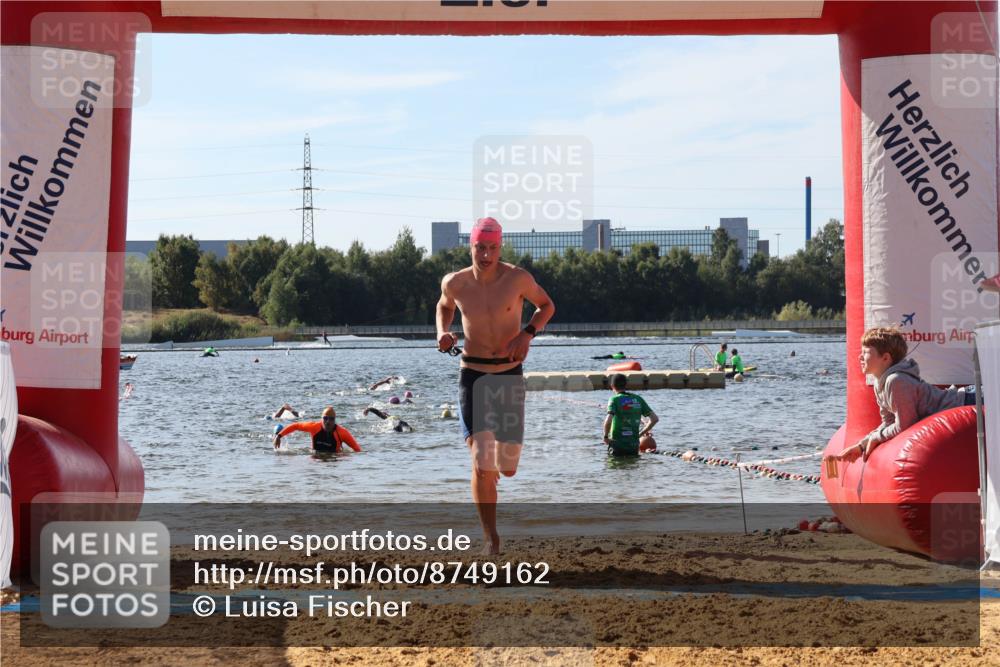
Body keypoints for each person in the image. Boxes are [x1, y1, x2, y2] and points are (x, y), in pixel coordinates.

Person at [436, 217, 555, 554]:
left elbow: (547, 306)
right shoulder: (455, 282)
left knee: (508, 467)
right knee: (481, 462)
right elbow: (443, 306)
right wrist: (442, 333)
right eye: (480, 248)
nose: (486, 255)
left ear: (500, 248)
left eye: (492, 248)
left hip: (508, 375)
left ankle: (496, 469)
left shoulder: (518, 278)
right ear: (470, 246)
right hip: (472, 375)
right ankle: (491, 537)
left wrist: (527, 334)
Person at [831, 327, 975, 462]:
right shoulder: (879, 382)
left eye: (865, 352)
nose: (860, 357)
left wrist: (877, 437)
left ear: (885, 358)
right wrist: (862, 446)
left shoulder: (897, 381)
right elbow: (889, 421)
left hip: (969, 400)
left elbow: (905, 425)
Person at [603, 373, 659, 457]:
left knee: (614, 464)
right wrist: (640, 434)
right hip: (633, 446)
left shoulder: (614, 399)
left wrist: (605, 436)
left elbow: (608, 420)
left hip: (617, 445)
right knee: (632, 464)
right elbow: (654, 419)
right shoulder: (638, 399)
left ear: (612, 386)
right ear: (626, 385)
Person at [272, 406, 361, 453]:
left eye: (331, 419)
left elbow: (357, 450)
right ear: (321, 419)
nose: (328, 421)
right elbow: (296, 426)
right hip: (316, 459)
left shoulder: (342, 432)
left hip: (334, 460)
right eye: (325, 418)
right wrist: (279, 436)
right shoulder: (314, 427)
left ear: (335, 420)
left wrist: (344, 458)